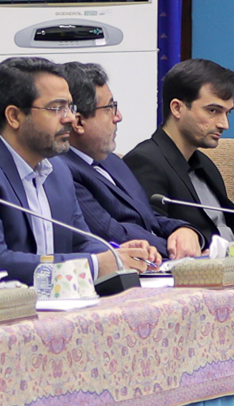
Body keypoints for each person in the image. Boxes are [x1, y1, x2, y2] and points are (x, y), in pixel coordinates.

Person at [0, 57, 157, 297]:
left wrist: (115, 254)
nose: (69, 118)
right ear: (14, 116)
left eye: (70, 107)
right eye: (56, 108)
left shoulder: (57, 170)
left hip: (43, 309)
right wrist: (95, 265)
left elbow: (82, 242)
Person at [58, 61, 203, 259]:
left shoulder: (111, 160)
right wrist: (174, 249)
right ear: (79, 122)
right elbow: (111, 233)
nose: (118, 116)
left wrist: (183, 230)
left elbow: (148, 218)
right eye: (110, 108)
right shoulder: (63, 171)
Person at [123, 58, 234, 243]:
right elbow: (150, 234)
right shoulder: (144, 162)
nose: (224, 124)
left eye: (227, 113)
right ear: (177, 108)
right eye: (213, 111)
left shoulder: (206, 165)